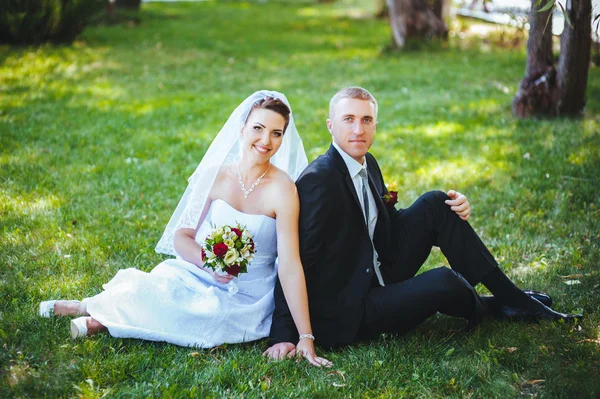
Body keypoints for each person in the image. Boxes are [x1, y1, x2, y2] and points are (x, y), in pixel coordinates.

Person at [265, 86, 582, 355]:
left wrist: (453, 209)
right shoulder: (320, 180)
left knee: (436, 202)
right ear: (330, 126)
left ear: (375, 125)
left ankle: (513, 298)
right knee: (442, 280)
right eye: (348, 120)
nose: (358, 129)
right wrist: (283, 333)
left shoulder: (367, 163)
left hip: (379, 268)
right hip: (353, 304)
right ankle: (495, 307)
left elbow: (384, 223)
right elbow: (294, 259)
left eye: (366, 120)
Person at [39, 91, 331, 367]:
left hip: (248, 293)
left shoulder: (284, 190)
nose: (265, 140)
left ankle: (100, 320)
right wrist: (208, 263)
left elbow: (290, 264)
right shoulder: (215, 175)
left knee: (211, 315)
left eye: (276, 133)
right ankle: (88, 306)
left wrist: (306, 336)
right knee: (160, 287)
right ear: (242, 129)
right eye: (258, 128)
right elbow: (182, 237)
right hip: (199, 270)